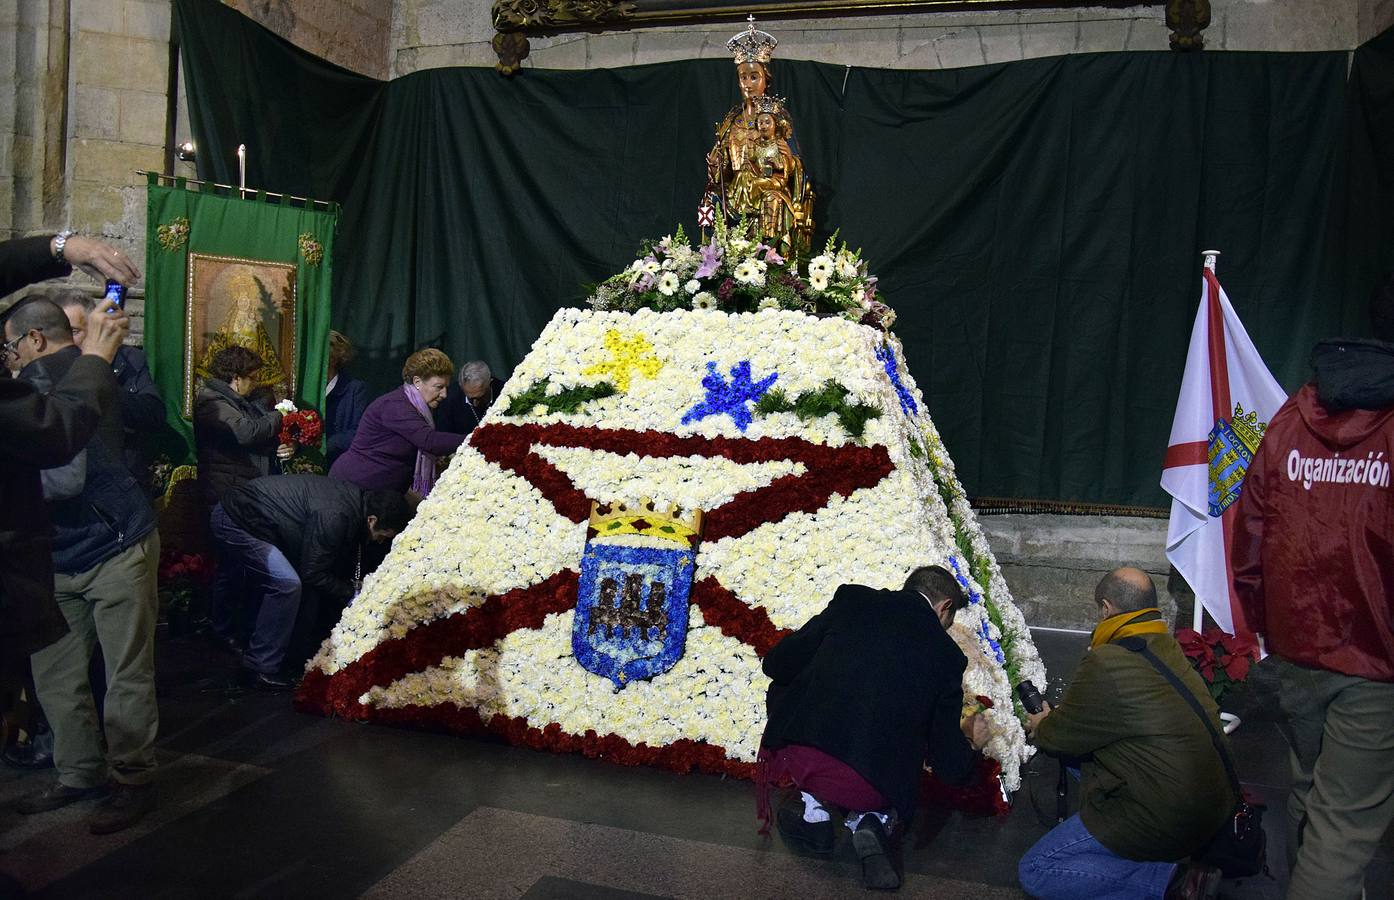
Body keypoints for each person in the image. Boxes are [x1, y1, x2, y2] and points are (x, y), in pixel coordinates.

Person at [1230, 277, 1394, 900]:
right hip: (1375, 660)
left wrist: (1268, 621)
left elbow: (1251, 534)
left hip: (1299, 647)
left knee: (1310, 789)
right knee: (1344, 828)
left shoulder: (1295, 416)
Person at [5, 299, 161, 835]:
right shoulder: (92, 370)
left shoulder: (40, 382)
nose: (10, 359)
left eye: (11, 346)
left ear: (35, 340)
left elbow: (64, 478)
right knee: (63, 674)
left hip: (112, 542)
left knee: (120, 673)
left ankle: (132, 780)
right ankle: (80, 775)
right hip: (61, 552)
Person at [757, 566, 990, 891]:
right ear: (944, 607)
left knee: (788, 683)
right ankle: (873, 818)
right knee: (909, 726)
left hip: (805, 754)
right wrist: (974, 744)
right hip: (874, 783)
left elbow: (776, 664)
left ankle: (815, 811)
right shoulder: (947, 655)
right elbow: (949, 765)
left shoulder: (852, 599)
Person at [1018, 568, 1234, 900]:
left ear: (1106, 608)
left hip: (1171, 816)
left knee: (1036, 870)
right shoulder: (1165, 645)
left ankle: (1174, 882)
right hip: (1215, 801)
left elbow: (1058, 738)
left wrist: (1042, 724)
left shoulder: (1108, 659)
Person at [0, 232, 137, 674]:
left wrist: (61, 248)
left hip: (104, 538)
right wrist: (96, 356)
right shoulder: (43, 379)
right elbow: (54, 433)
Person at [209, 474, 409, 691]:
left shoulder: (353, 501)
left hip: (242, 511)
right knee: (287, 584)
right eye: (382, 535)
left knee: (251, 578)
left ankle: (227, 635)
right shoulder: (337, 515)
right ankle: (260, 666)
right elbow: (312, 572)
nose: (380, 541)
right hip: (240, 519)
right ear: (372, 520)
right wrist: (352, 594)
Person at [195, 345, 293, 653]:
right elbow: (246, 433)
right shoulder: (211, 403)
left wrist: (281, 448)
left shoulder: (238, 400)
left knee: (242, 568)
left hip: (246, 493)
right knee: (231, 566)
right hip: (227, 495)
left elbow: (256, 440)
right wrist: (281, 415)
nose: (255, 383)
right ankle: (223, 631)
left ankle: (238, 627)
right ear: (236, 378)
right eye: (251, 378)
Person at [55, 290, 168, 495]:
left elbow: (154, 413)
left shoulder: (129, 359)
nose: (68, 342)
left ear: (93, 329)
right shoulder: (51, 366)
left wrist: (98, 381)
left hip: (122, 481)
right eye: (62, 332)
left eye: (74, 331)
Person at [330, 348, 466, 498]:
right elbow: (429, 441)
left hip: (379, 491)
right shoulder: (396, 405)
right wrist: (475, 438)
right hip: (354, 489)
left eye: (446, 387)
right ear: (417, 382)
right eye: (439, 387)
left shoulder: (415, 406)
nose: (444, 394)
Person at [324, 330, 368, 464]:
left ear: (333, 359)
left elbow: (360, 431)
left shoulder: (355, 389)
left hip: (340, 462)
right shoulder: (306, 388)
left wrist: (327, 444)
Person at [433, 359, 503, 438]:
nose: (475, 403)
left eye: (480, 397)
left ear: (490, 382)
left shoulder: (506, 393)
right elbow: (444, 437)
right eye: (470, 398)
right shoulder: (449, 399)